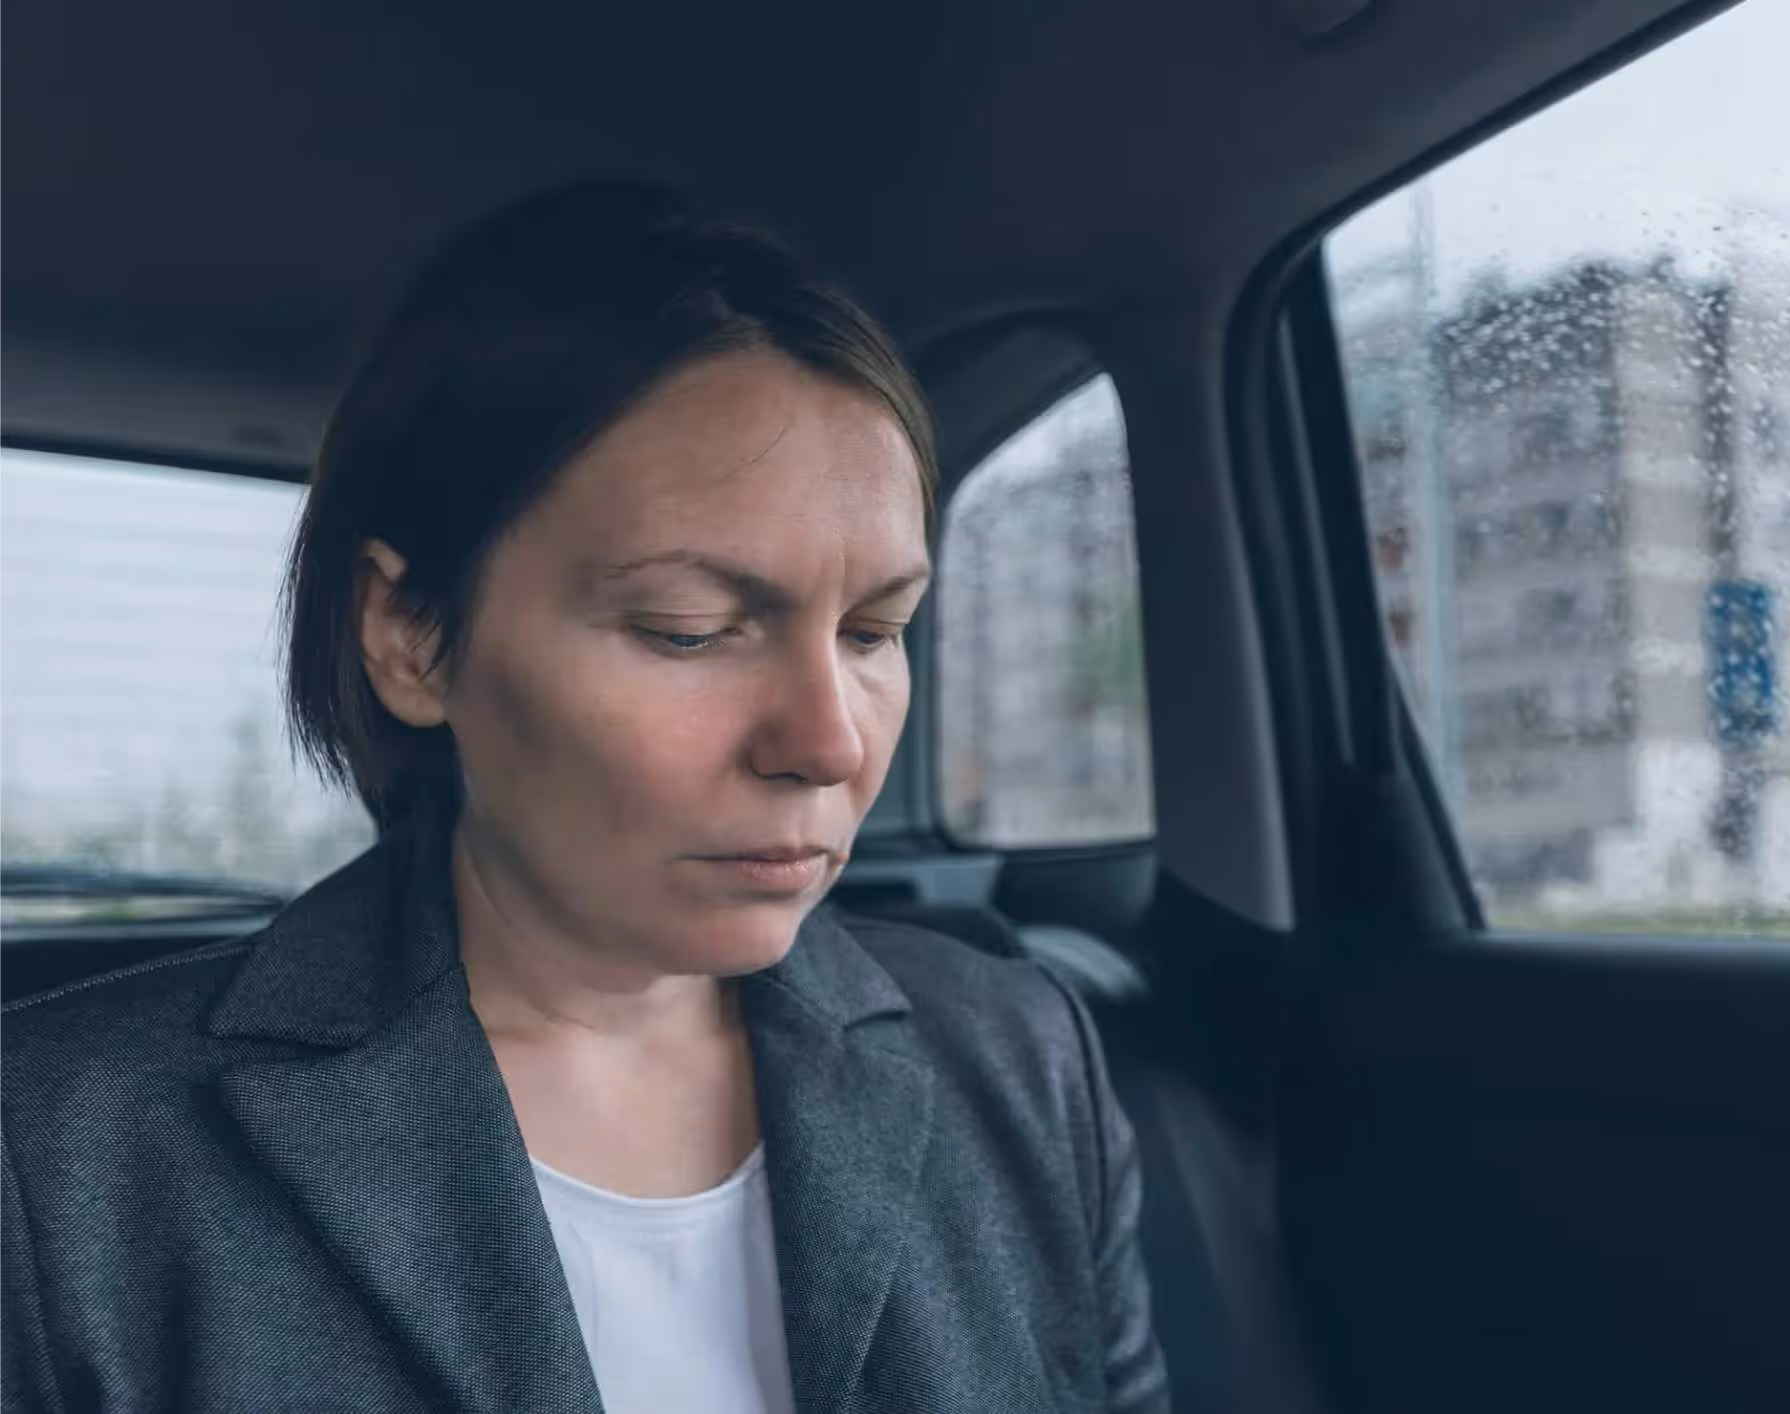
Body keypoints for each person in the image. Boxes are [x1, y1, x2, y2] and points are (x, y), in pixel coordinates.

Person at [1, 183, 1168, 1413]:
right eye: (690, 631)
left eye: (877, 631)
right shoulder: (63, 1161)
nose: (829, 743)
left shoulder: (1022, 1058)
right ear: (410, 635)